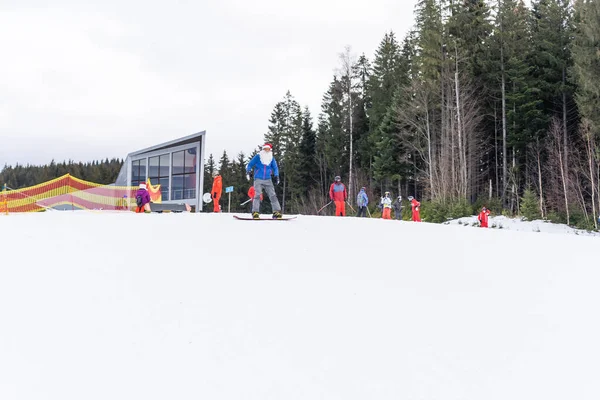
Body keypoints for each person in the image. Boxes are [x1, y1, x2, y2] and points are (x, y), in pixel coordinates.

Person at [246, 143, 282, 219]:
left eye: (268, 149)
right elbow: (250, 164)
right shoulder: (258, 156)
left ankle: (277, 212)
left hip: (268, 179)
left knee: (273, 195)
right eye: (265, 149)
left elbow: (275, 167)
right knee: (257, 195)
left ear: (270, 150)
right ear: (263, 149)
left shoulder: (271, 158)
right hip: (258, 178)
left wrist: (276, 176)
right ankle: (255, 212)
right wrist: (248, 172)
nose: (266, 150)